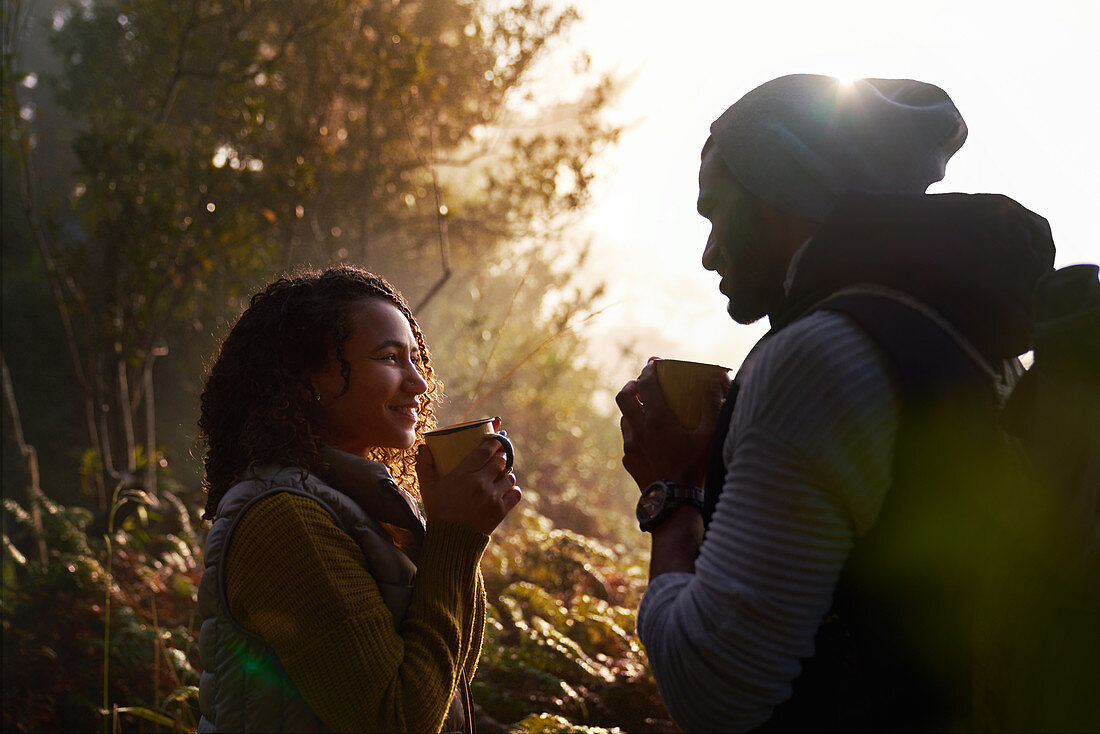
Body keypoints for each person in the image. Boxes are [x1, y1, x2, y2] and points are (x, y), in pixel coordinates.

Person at [616, 74, 1060, 731]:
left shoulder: (817, 360)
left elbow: (714, 689)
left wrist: (672, 491)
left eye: (716, 213)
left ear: (780, 191)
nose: (709, 254)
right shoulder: (977, 350)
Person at [195, 265, 521, 733]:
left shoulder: (358, 501)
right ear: (309, 380)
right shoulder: (285, 519)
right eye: (389, 358)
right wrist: (457, 538)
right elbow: (398, 719)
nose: (418, 382)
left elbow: (442, 682)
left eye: (414, 358)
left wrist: (455, 536)